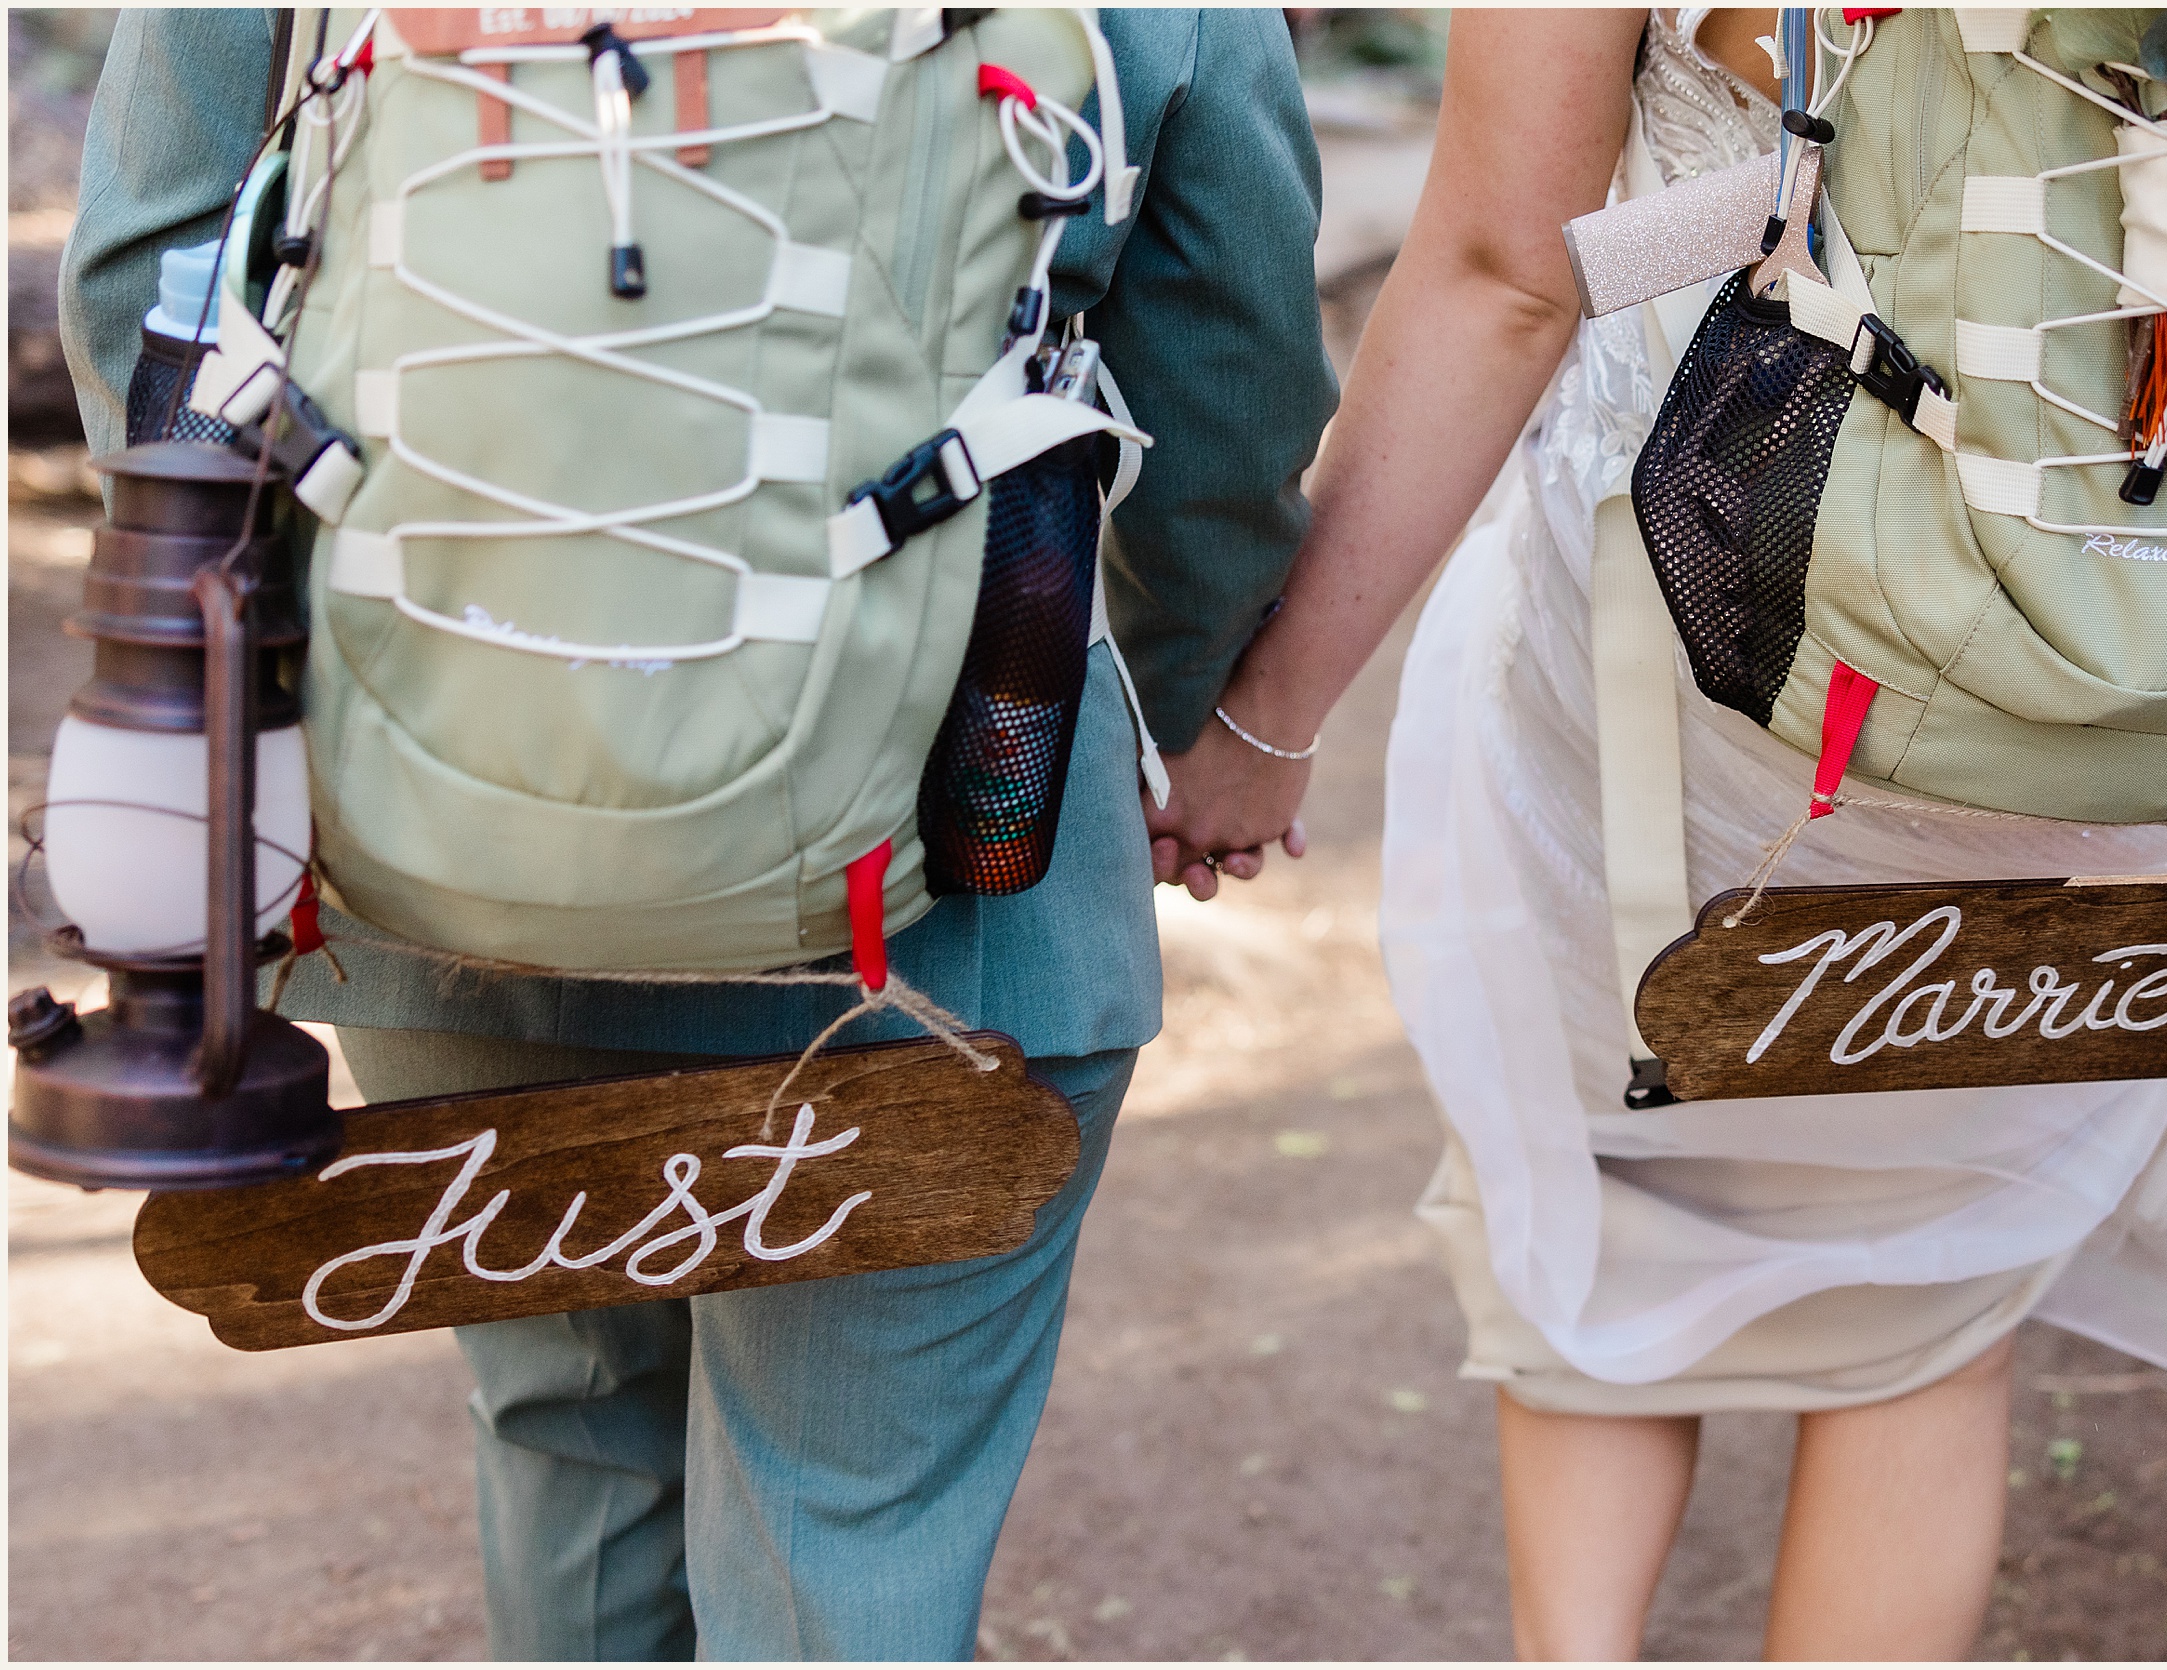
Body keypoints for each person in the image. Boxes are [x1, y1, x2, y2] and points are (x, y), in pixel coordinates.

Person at [1147, 8, 2167, 1659]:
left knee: (1606, 1209)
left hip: (1721, 698)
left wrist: (1267, 718)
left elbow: (1509, 274)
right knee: (1921, 1317)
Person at [64, 9, 1334, 1659]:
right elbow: (1231, 364)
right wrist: (1126, 722)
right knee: (853, 1525)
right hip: (955, 885)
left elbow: (142, 284)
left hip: (431, 854)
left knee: (569, 1452)